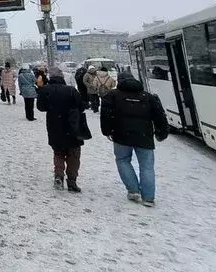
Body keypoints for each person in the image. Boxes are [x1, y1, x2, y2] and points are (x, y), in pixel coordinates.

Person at [101, 71, 169, 207]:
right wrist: (161, 132)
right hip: (145, 136)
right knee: (147, 167)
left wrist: (107, 131)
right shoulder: (147, 97)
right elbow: (160, 116)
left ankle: (133, 190)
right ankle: (148, 197)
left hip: (121, 135)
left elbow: (106, 115)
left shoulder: (113, 95)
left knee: (122, 161)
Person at [36, 66, 87, 192]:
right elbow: (81, 106)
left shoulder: (46, 90)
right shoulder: (71, 90)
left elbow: (41, 107)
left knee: (58, 153)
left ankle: (59, 175)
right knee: (74, 154)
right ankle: (72, 181)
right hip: (73, 126)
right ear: (62, 77)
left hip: (54, 126)